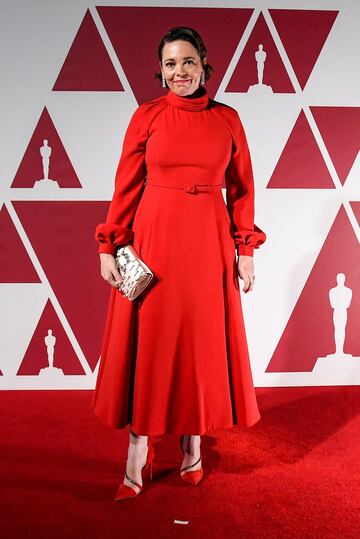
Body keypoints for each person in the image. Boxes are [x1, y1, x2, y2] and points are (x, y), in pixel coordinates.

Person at [92, 26, 266, 501]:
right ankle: (138, 449)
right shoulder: (146, 116)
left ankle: (192, 445)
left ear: (204, 65)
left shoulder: (228, 119)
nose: (180, 72)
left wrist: (245, 251)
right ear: (161, 70)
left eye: (188, 62)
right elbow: (126, 185)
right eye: (170, 64)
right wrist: (110, 245)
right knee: (152, 343)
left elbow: (243, 189)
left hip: (208, 244)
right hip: (154, 239)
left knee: (198, 344)